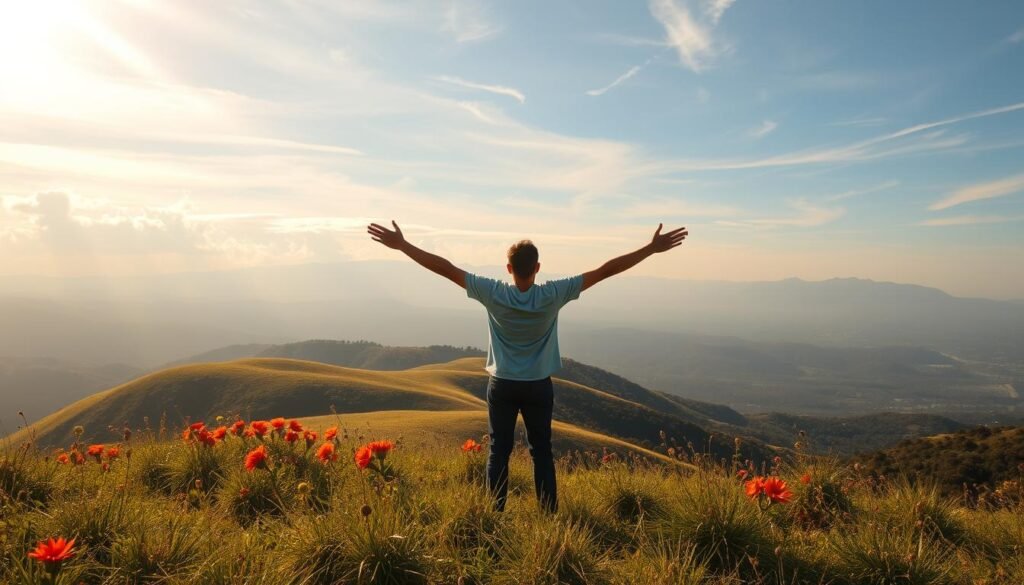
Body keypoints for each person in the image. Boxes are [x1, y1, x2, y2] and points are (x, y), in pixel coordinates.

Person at [366, 221, 688, 512]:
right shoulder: (553, 294)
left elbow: (446, 268)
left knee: (498, 452)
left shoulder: (492, 292)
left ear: (509, 268)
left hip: (502, 384)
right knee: (542, 453)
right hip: (538, 385)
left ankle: (495, 514)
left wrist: (404, 245)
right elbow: (605, 271)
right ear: (537, 267)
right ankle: (548, 516)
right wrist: (650, 248)